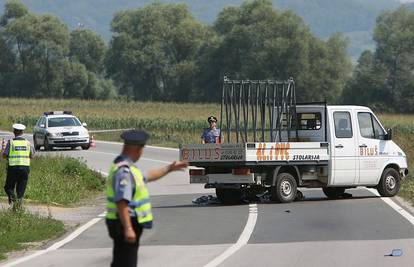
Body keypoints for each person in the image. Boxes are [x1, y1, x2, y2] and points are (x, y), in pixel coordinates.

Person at [106, 129, 188, 267]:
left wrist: (169, 168)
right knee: (126, 263)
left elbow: (147, 176)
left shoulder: (129, 168)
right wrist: (128, 228)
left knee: (122, 262)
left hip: (126, 222)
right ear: (137, 149)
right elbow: (121, 201)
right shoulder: (124, 171)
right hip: (126, 223)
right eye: (142, 148)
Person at [2, 123, 35, 209]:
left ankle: (14, 201)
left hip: (13, 168)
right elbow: (32, 155)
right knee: (20, 190)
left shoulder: (11, 142)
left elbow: (4, 155)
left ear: (14, 132)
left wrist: (3, 150)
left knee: (8, 187)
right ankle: (17, 208)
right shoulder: (28, 143)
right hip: (25, 168)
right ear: (22, 132)